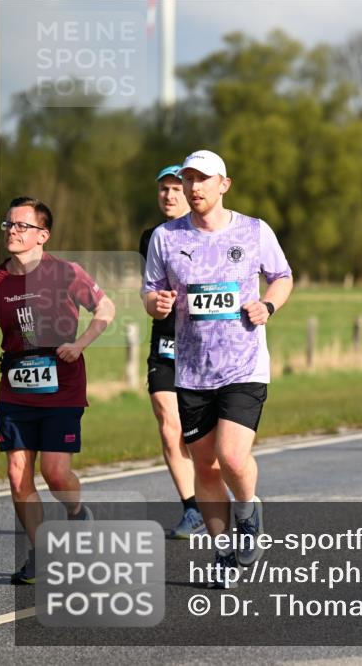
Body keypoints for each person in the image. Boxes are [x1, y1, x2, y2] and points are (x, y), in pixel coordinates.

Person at [142, 150, 293, 588]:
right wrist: (158, 304)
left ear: (223, 184)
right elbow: (150, 292)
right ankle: (223, 550)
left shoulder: (253, 230)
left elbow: (282, 275)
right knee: (205, 466)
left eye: (203, 179)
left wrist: (267, 305)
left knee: (231, 455)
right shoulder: (165, 238)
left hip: (244, 365)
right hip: (191, 369)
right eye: (188, 179)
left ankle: (248, 512)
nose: (194, 187)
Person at [0, 197, 116, 584]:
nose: (12, 231)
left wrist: (80, 344)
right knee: (17, 474)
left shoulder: (66, 272)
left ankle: (79, 515)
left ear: (42, 235)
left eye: (21, 226)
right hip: (15, 387)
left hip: (61, 385)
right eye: (8, 225)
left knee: (55, 471)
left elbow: (106, 310)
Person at [140, 165, 204, 539]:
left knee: (203, 434)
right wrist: (156, 302)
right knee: (169, 426)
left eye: (175, 188)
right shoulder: (151, 237)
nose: (168, 195)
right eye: (163, 189)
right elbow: (148, 290)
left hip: (205, 344)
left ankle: (224, 492)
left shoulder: (207, 231)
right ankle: (192, 509)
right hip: (165, 341)